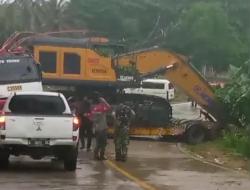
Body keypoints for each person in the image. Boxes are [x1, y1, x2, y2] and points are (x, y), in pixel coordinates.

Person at [90, 92, 111, 160]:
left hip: (99, 128)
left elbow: (92, 118)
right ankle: (100, 155)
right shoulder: (101, 107)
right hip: (102, 128)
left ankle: (97, 155)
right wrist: (105, 102)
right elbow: (109, 107)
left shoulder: (95, 108)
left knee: (99, 143)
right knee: (102, 143)